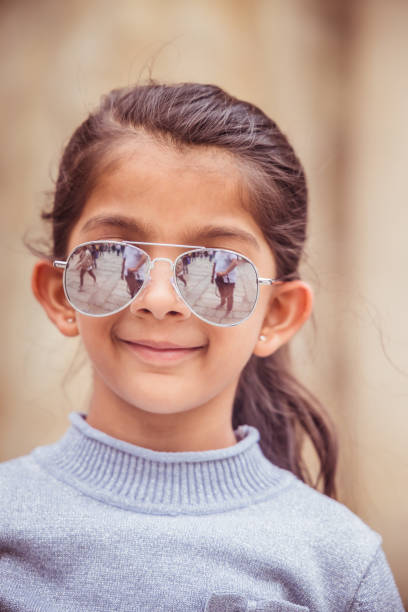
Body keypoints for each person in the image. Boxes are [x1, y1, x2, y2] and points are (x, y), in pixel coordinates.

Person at [0, 82, 404, 612]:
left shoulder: (339, 563)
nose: (160, 300)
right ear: (61, 293)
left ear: (277, 314)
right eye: (114, 256)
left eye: (217, 267)